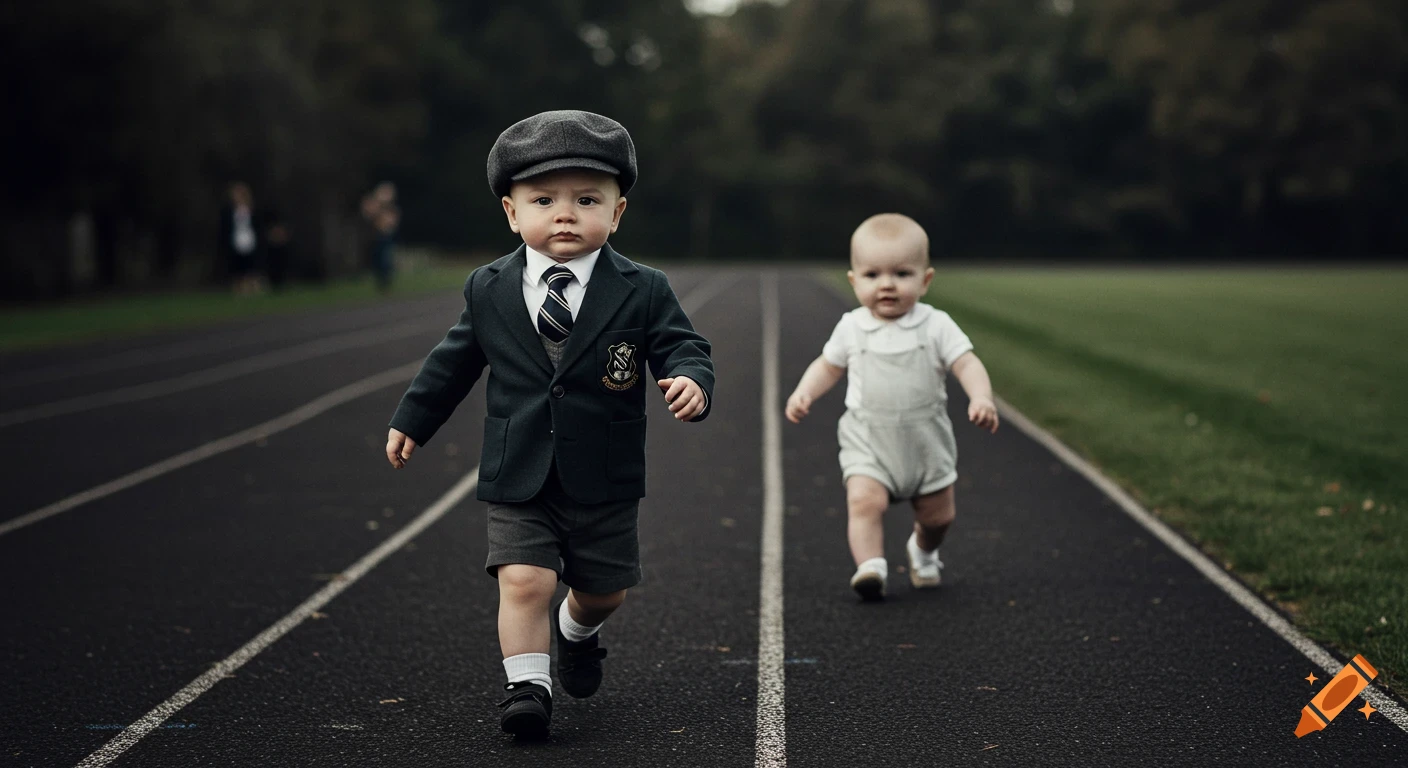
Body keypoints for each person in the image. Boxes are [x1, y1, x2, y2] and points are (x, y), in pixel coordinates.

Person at [383, 110, 715, 737]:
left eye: (586, 199)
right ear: (512, 212)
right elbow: (454, 361)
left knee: (603, 592)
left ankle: (577, 630)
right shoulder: (488, 289)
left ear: (616, 214)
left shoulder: (642, 288)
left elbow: (682, 345)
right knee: (525, 579)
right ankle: (527, 689)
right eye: (544, 200)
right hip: (520, 468)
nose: (564, 214)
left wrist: (692, 378)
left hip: (604, 476)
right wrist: (414, 418)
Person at [785, 213, 999, 601]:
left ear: (925, 280)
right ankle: (870, 566)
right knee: (864, 500)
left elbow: (966, 362)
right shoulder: (852, 327)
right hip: (868, 436)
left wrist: (981, 396)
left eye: (901, 274)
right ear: (854, 280)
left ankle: (923, 549)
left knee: (938, 517)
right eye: (872, 275)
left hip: (925, 439)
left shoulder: (935, 325)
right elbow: (828, 366)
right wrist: (804, 393)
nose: (886, 285)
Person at [218, 182, 263, 295]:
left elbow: (257, 225)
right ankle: (239, 290)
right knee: (238, 267)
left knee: (251, 267)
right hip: (236, 241)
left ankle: (253, 289)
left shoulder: (251, 210)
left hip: (249, 241)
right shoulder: (229, 211)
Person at [361, 181, 400, 292]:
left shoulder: (391, 209)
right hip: (376, 237)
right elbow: (367, 216)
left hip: (386, 236)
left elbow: (392, 222)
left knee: (386, 259)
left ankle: (385, 281)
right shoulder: (374, 206)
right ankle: (381, 281)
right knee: (378, 259)